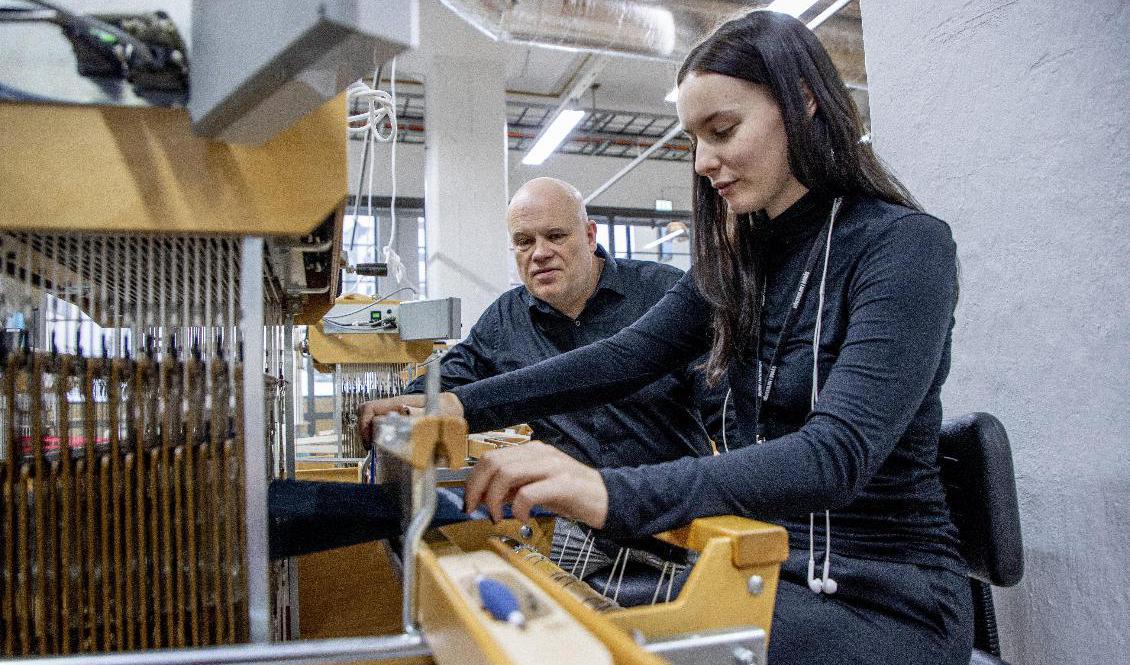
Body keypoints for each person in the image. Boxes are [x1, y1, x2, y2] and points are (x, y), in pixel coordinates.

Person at [360, 10, 971, 665]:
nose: (704, 161)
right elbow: (624, 357)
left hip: (887, 601)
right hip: (760, 566)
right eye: (694, 139)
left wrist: (608, 491)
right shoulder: (737, 263)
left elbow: (836, 455)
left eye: (723, 130)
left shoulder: (903, 248)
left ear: (804, 103)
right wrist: (457, 404)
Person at [401, 176, 727, 470]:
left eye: (555, 236)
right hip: (569, 518)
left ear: (589, 235)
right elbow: (439, 384)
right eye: (524, 241)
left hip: (672, 512)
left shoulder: (662, 292)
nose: (540, 253)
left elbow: (724, 409)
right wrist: (401, 411)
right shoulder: (505, 321)